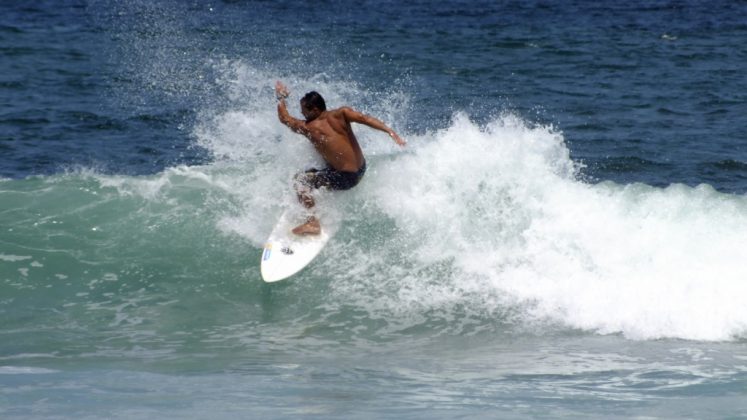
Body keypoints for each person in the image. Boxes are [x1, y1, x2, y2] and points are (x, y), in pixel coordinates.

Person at [275, 80, 406, 235]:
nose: (302, 113)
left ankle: (312, 223)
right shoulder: (342, 114)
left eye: (304, 110)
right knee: (316, 169)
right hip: (361, 169)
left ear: (315, 109)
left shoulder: (308, 128)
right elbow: (366, 119)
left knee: (300, 180)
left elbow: (285, 118)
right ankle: (319, 194)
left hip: (347, 179)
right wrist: (390, 132)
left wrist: (281, 97)